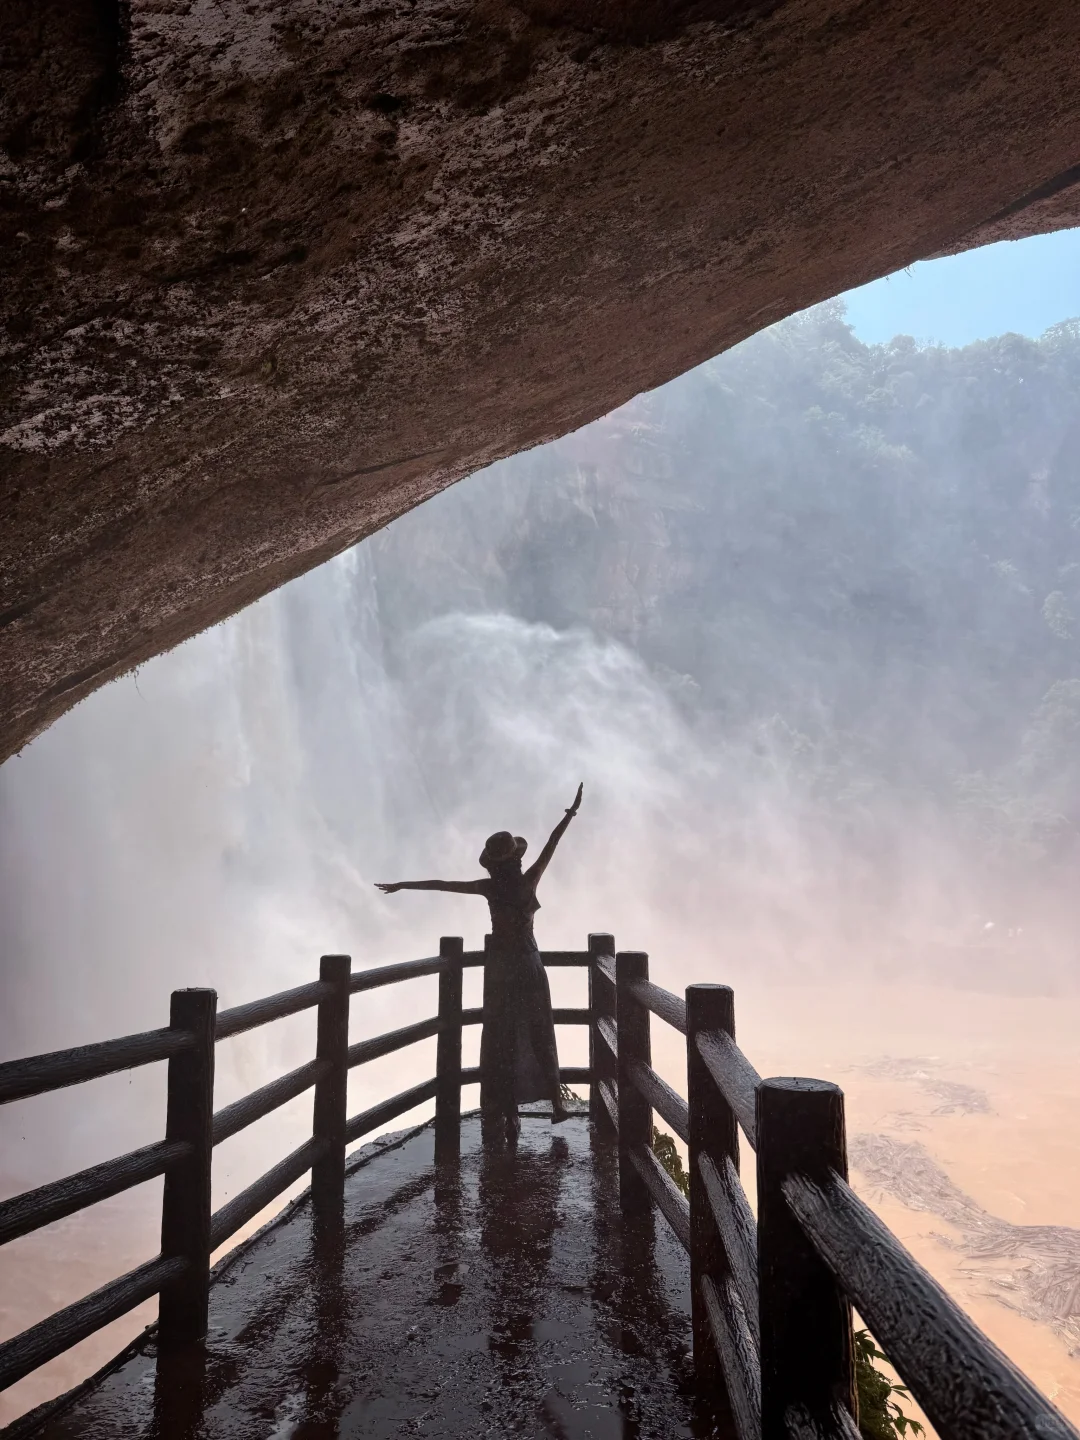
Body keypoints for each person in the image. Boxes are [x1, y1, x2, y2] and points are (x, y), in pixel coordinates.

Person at [376, 784, 584, 1142]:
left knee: (502, 1041)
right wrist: (570, 813)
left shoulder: (489, 888)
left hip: (501, 970)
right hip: (530, 965)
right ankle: (556, 1104)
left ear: (493, 864)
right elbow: (553, 842)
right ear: (516, 860)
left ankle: (507, 1112)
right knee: (539, 1031)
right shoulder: (529, 881)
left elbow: (442, 884)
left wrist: (403, 885)